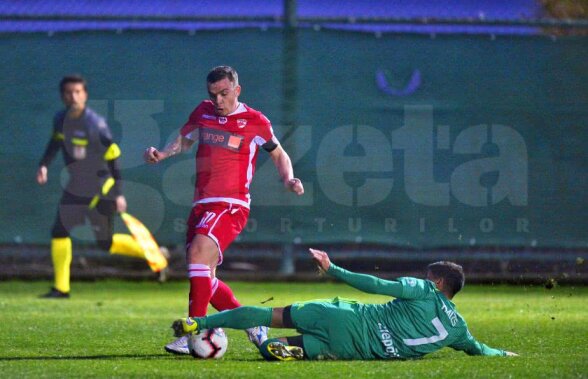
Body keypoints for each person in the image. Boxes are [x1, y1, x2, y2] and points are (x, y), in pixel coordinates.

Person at [143, 66, 304, 354]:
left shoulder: (255, 121)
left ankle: (195, 328)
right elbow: (186, 138)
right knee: (205, 274)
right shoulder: (203, 112)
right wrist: (164, 153)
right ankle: (253, 323)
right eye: (213, 94)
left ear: (237, 91)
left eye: (224, 93)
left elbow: (278, 152)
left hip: (232, 204)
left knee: (197, 254)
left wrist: (289, 178)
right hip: (201, 203)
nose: (218, 100)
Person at [171, 248, 518, 361]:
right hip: (349, 348)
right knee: (275, 350)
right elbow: (478, 349)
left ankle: (197, 325)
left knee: (269, 314)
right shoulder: (458, 328)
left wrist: (333, 268)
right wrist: (504, 355)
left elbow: (377, 285)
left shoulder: (424, 290)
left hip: (343, 315)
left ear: (439, 283)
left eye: (430, 276)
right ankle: (276, 346)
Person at [37, 75, 168, 299]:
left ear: (85, 95)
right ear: (63, 96)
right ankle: (61, 288)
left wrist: (118, 194)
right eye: (69, 92)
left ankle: (155, 255)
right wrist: (44, 165)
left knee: (105, 243)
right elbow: (55, 142)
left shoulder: (95, 125)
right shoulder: (61, 119)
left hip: (101, 187)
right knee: (59, 231)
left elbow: (114, 160)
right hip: (76, 186)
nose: (74, 96)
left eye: (78, 92)